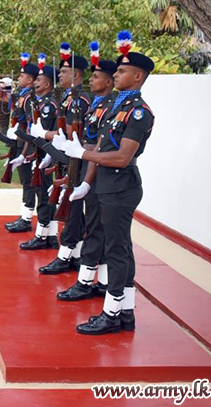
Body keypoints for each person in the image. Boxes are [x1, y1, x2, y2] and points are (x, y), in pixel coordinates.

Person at [58, 31, 155, 334]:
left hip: (121, 185)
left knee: (116, 249)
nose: (117, 75)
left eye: (123, 71)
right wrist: (86, 179)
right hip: (107, 184)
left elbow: (122, 157)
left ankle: (112, 313)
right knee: (120, 247)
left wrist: (82, 152)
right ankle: (125, 313)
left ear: (137, 76)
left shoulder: (138, 112)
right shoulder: (117, 107)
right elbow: (101, 148)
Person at [57, 47, 118, 300]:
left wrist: (85, 181)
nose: (92, 80)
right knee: (94, 226)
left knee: (96, 228)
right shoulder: (96, 106)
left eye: (96, 77)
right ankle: (101, 282)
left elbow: (96, 146)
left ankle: (86, 283)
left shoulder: (110, 107)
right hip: (88, 167)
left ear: (109, 81)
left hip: (101, 172)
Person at [37, 43, 91, 273]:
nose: (59, 74)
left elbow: (72, 135)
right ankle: (74, 253)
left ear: (76, 74)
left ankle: (66, 254)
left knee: (72, 207)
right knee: (72, 207)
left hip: (78, 161)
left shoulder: (78, 100)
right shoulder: (69, 98)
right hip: (70, 159)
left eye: (64, 71)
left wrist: (47, 135)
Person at [20, 56, 60, 250]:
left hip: (46, 154)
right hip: (38, 153)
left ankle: (43, 235)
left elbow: (50, 133)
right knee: (41, 194)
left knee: (44, 196)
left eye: (38, 80)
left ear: (48, 83)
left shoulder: (50, 104)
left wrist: (47, 157)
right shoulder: (39, 102)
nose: (35, 82)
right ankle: (49, 235)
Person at [5, 53, 40, 233]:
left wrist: (25, 152)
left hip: (27, 145)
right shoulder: (23, 96)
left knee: (28, 183)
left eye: (22, 76)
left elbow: (30, 126)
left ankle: (26, 219)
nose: (19, 78)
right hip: (20, 143)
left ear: (30, 80)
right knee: (25, 181)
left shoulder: (29, 99)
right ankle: (24, 215)